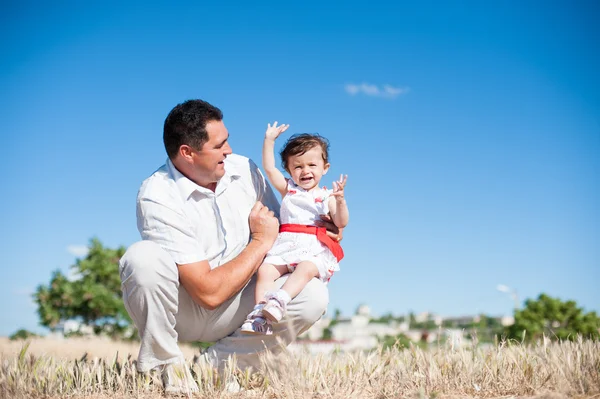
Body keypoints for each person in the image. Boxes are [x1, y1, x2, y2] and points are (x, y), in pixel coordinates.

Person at [118, 99, 339, 394]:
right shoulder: (156, 194)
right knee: (141, 259)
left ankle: (217, 366)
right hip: (182, 310)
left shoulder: (244, 169)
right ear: (188, 153)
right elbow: (207, 293)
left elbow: (282, 231)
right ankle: (165, 369)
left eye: (228, 141)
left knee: (312, 293)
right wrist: (260, 241)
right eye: (219, 145)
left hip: (241, 305)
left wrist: (322, 227)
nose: (229, 151)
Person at [241, 123, 349, 335]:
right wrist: (269, 140)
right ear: (289, 170)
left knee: (307, 268)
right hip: (286, 244)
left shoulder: (327, 196)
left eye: (312, 165)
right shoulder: (289, 190)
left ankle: (281, 299)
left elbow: (341, 221)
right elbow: (270, 168)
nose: (305, 171)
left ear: (325, 168)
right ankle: (260, 314)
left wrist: (341, 201)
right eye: (298, 166)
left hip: (311, 246)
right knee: (265, 271)